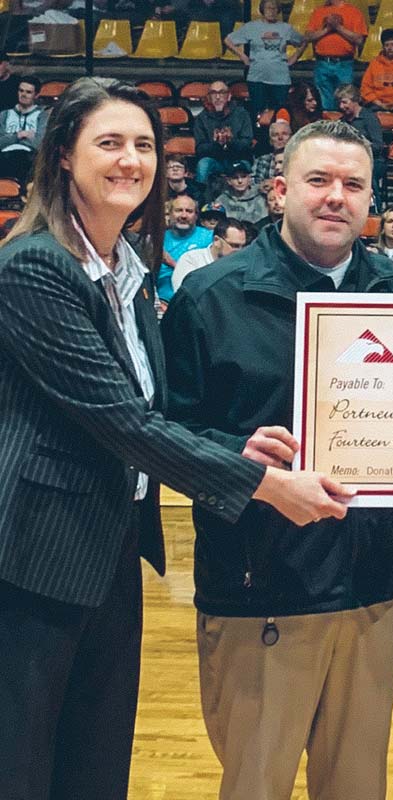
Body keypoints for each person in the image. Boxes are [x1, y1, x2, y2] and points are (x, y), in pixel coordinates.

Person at [0, 75, 351, 800]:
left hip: (108, 547)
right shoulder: (34, 266)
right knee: (23, 764)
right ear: (62, 154)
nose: (131, 159)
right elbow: (124, 423)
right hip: (31, 560)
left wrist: (236, 450)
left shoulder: (128, 271)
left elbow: (152, 412)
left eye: (144, 145)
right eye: (109, 142)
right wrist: (260, 482)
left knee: (94, 765)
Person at [161, 119, 393, 800]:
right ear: (278, 190)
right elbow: (161, 434)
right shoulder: (211, 299)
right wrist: (239, 457)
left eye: (353, 185)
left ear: (370, 200)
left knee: (357, 788)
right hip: (258, 589)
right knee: (256, 787)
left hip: (372, 590)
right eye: (318, 181)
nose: (335, 198)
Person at [223, 0, 304, 119]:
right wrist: (243, 56)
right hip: (257, 77)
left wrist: (295, 57)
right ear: (262, 10)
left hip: (280, 78)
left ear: (278, 10)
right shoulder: (252, 27)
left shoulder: (286, 28)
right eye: (268, 8)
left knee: (279, 113)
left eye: (274, 8)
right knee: (258, 113)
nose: (271, 11)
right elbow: (228, 41)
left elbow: (303, 42)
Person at [192, 80, 255, 198]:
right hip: (215, 161)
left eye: (222, 93)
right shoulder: (201, 118)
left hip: (238, 158)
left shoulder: (241, 114)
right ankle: (199, 202)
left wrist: (231, 142)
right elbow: (199, 149)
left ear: (229, 96)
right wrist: (216, 144)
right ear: (209, 97)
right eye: (213, 93)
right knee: (203, 165)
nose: (217, 97)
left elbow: (247, 144)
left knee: (246, 166)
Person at [305, 0, 367, 110]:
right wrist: (328, 29)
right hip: (322, 62)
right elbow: (309, 36)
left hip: (344, 63)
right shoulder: (318, 12)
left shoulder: (354, 12)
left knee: (345, 98)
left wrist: (338, 27)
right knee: (323, 100)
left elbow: (359, 39)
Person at [171, 216, 250, 292]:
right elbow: (184, 296)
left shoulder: (245, 264)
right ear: (216, 240)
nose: (240, 251)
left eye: (243, 246)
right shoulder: (191, 260)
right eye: (234, 246)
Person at [161, 193, 213, 304]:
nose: (184, 216)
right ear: (169, 214)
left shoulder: (209, 238)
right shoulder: (157, 240)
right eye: (179, 210)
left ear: (196, 216)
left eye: (189, 211)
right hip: (161, 302)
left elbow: (209, 276)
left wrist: (172, 263)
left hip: (196, 302)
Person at [0, 76, 46, 183]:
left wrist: (9, 138)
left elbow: (40, 144)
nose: (23, 95)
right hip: (4, 156)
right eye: (21, 91)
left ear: (37, 95)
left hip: (29, 157)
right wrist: (19, 135)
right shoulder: (4, 115)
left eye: (28, 92)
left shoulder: (42, 115)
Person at [252, 119, 292, 193]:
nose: (280, 138)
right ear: (270, 141)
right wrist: (263, 185)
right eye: (275, 135)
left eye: (284, 134)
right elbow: (253, 185)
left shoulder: (298, 159)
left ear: (291, 138)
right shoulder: (263, 160)